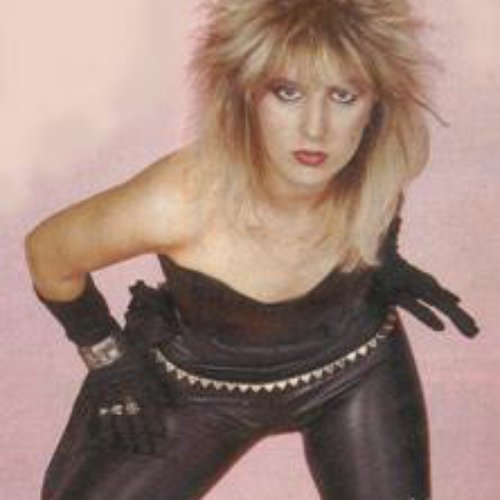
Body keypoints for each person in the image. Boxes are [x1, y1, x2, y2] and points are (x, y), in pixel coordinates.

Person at [25, 0, 479, 498]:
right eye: (287, 92)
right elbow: (49, 254)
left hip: (353, 367)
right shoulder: (178, 200)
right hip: (202, 386)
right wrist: (110, 361)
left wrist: (381, 257)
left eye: (344, 96)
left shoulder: (392, 154)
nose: (315, 129)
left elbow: (382, 194)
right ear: (246, 93)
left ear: (376, 107)